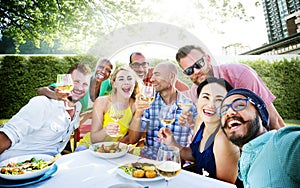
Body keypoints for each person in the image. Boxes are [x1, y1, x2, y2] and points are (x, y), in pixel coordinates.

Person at [175, 45, 285, 130]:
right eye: (189, 70)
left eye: (199, 64)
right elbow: (210, 127)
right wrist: (193, 123)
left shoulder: (241, 74)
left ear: (208, 59)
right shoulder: (196, 92)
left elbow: (275, 121)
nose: (196, 71)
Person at [0, 63, 91, 161]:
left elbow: (75, 123)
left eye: (85, 84)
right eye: (76, 81)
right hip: (13, 165)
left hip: (45, 166)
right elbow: (7, 135)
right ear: (66, 81)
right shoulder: (43, 104)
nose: (80, 88)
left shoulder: (77, 107)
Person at [158, 77, 240, 184]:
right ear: (197, 99)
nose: (211, 105)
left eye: (219, 100)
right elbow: (196, 156)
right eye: (206, 97)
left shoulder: (223, 139)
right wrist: (172, 142)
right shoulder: (201, 122)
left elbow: (224, 186)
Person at [219, 88, 300, 187]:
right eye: (223, 110)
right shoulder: (245, 162)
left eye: (239, 105)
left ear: (260, 113)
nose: (229, 112)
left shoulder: (283, 144)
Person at [128, 62, 197, 159]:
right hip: (148, 160)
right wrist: (138, 113)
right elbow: (132, 140)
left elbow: (199, 147)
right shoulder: (148, 102)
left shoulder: (189, 107)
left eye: (157, 74)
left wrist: (193, 124)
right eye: (152, 75)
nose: (152, 79)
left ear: (171, 77)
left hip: (175, 163)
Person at [75, 66, 140, 150]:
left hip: (113, 150)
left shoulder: (136, 105)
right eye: (121, 79)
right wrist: (106, 131)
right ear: (114, 84)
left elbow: (132, 139)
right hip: (89, 147)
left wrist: (117, 146)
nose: (126, 82)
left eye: (129, 78)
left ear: (134, 83)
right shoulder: (102, 102)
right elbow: (94, 139)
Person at [37, 58, 113, 112]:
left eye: (108, 70)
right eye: (101, 67)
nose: (103, 71)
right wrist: (56, 95)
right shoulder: (83, 78)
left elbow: (116, 87)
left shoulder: (106, 82)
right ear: (95, 67)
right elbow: (41, 90)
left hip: (82, 122)